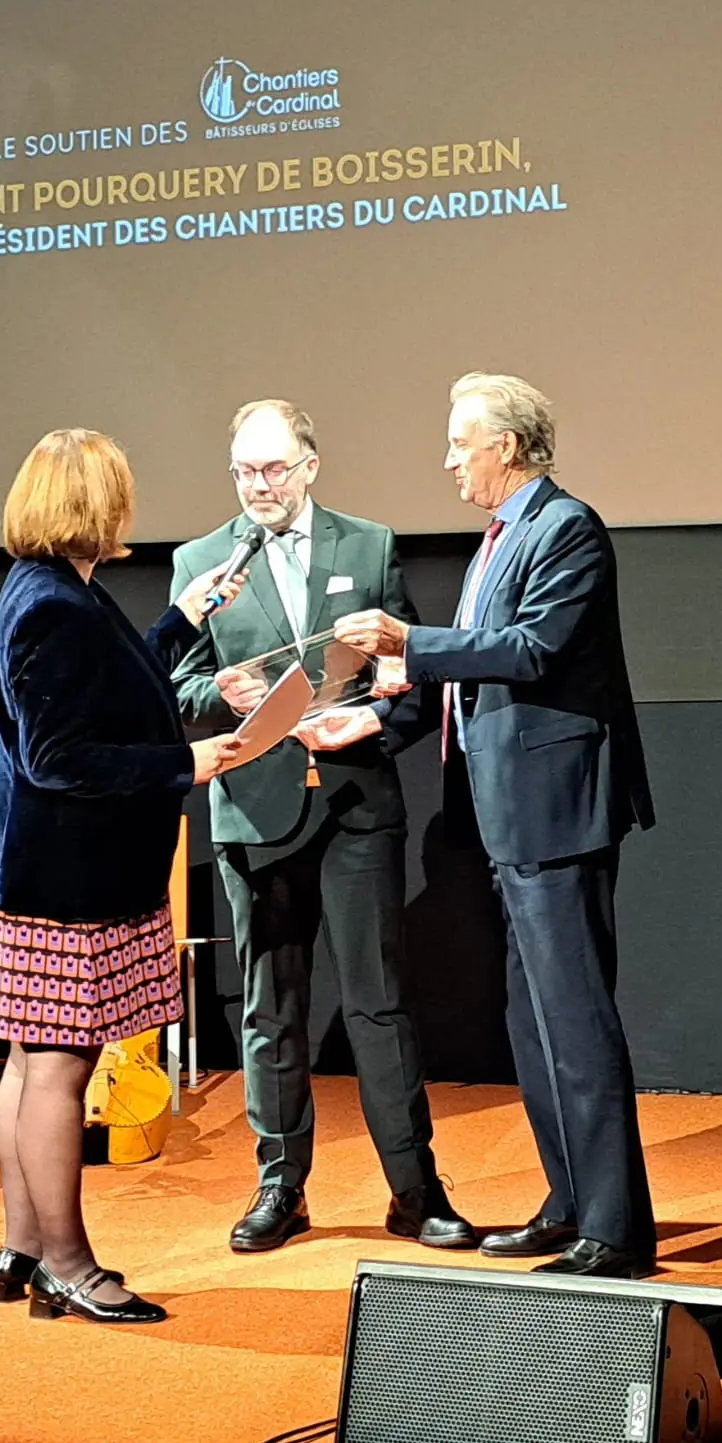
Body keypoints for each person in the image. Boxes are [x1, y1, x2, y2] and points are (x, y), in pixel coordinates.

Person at [324, 373, 658, 1278]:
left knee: (574, 1020)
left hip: (555, 810)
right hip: (507, 813)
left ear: (504, 446)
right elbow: (477, 669)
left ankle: (616, 1228)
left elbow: (533, 649)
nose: (448, 461)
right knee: (532, 1020)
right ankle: (571, 1201)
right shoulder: (499, 539)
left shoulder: (566, 528)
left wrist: (410, 642)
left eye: (458, 443)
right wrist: (381, 709)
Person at [171, 401, 473, 1253]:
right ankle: (280, 1186)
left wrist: (373, 716)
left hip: (355, 805)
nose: (258, 485)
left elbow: (405, 670)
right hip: (255, 812)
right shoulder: (200, 561)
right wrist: (218, 691)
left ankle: (415, 1189)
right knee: (271, 1008)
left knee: (380, 1003)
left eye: (273, 468)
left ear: (309, 466)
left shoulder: (368, 545)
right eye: (243, 470)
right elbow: (180, 685)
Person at [0, 429, 247, 1325]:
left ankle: (19, 1248)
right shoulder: (55, 605)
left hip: (36, 872)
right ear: (100, 503)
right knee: (58, 1069)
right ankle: (67, 1265)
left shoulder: (52, 589)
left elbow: (108, 688)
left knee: (28, 1062)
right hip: (66, 882)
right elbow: (59, 758)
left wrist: (182, 620)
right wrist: (184, 763)